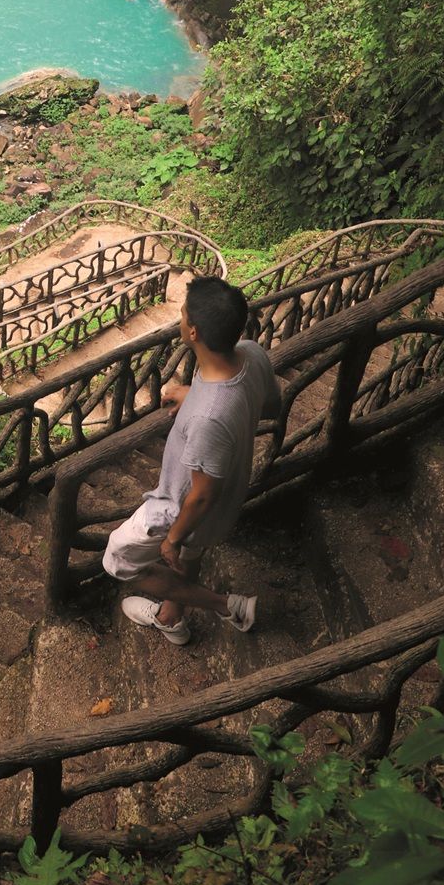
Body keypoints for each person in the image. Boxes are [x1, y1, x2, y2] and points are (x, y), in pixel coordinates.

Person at [102, 276, 281, 645]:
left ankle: (225, 605)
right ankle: (171, 618)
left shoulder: (208, 418)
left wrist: (172, 539)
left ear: (194, 332)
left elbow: (200, 495)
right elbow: (269, 404)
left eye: (182, 315)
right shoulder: (250, 352)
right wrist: (196, 395)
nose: (180, 319)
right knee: (190, 554)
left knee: (118, 561)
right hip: (228, 496)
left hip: (179, 507)